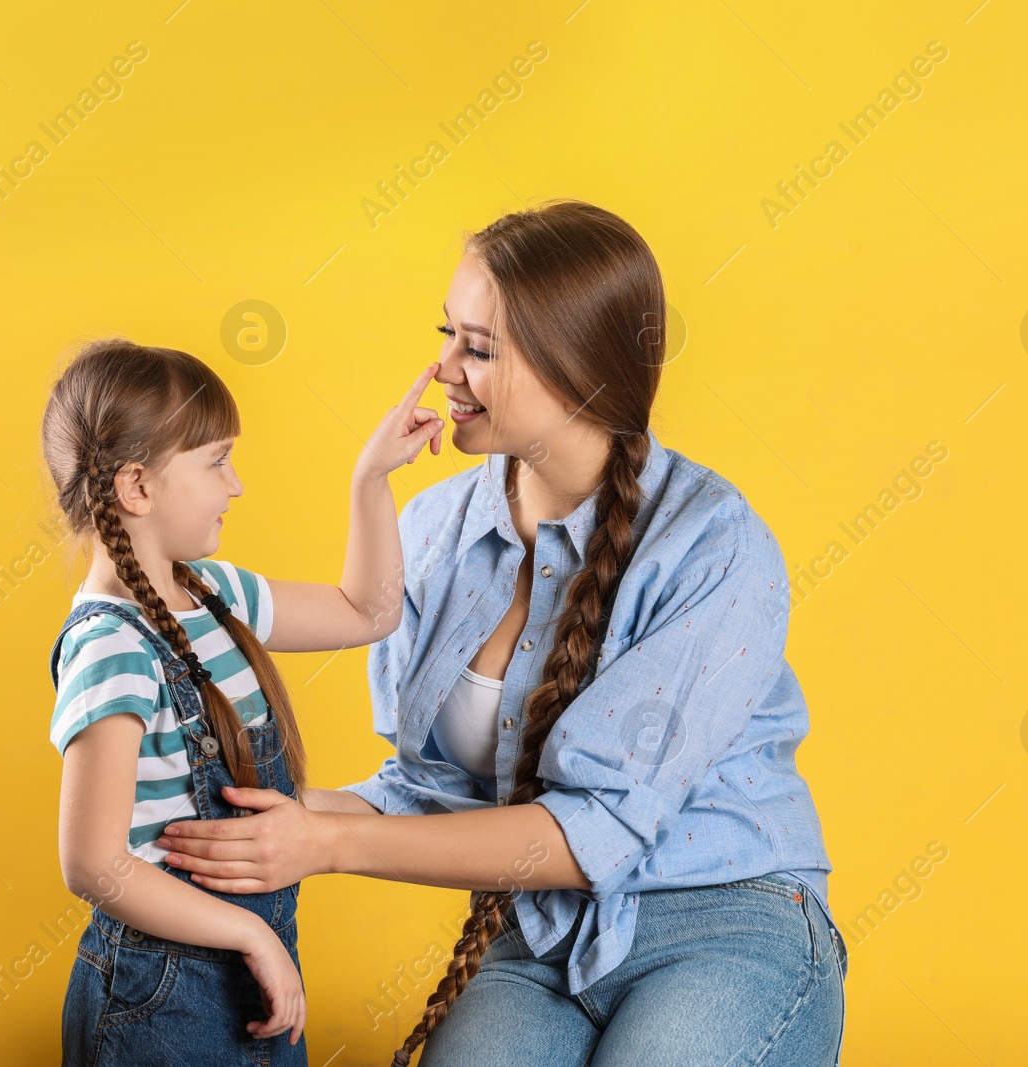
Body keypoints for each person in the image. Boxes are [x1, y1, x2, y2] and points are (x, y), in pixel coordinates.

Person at [158, 200, 847, 1066]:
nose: (442, 367)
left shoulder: (712, 542)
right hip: (544, 932)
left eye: (478, 348)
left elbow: (594, 828)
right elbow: (428, 789)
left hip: (725, 915)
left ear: (577, 371)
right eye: (447, 332)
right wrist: (271, 821)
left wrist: (326, 843)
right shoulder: (435, 529)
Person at [40, 338, 443, 1065]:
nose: (237, 486)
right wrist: (250, 933)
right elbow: (93, 864)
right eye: (217, 461)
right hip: (161, 996)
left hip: (255, 979)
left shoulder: (214, 593)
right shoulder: (111, 646)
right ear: (139, 486)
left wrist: (372, 480)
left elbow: (367, 612)